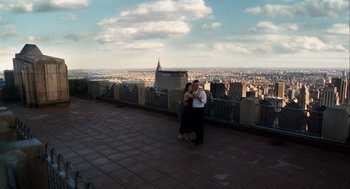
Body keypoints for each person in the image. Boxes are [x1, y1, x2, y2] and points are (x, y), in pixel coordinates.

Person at [192, 80, 207, 145]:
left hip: (200, 110)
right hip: (195, 110)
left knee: (200, 125)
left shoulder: (202, 92)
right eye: (194, 85)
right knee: (195, 125)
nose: (195, 86)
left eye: (197, 85)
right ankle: (197, 137)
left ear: (198, 85)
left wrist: (199, 98)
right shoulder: (194, 92)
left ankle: (200, 140)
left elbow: (205, 102)